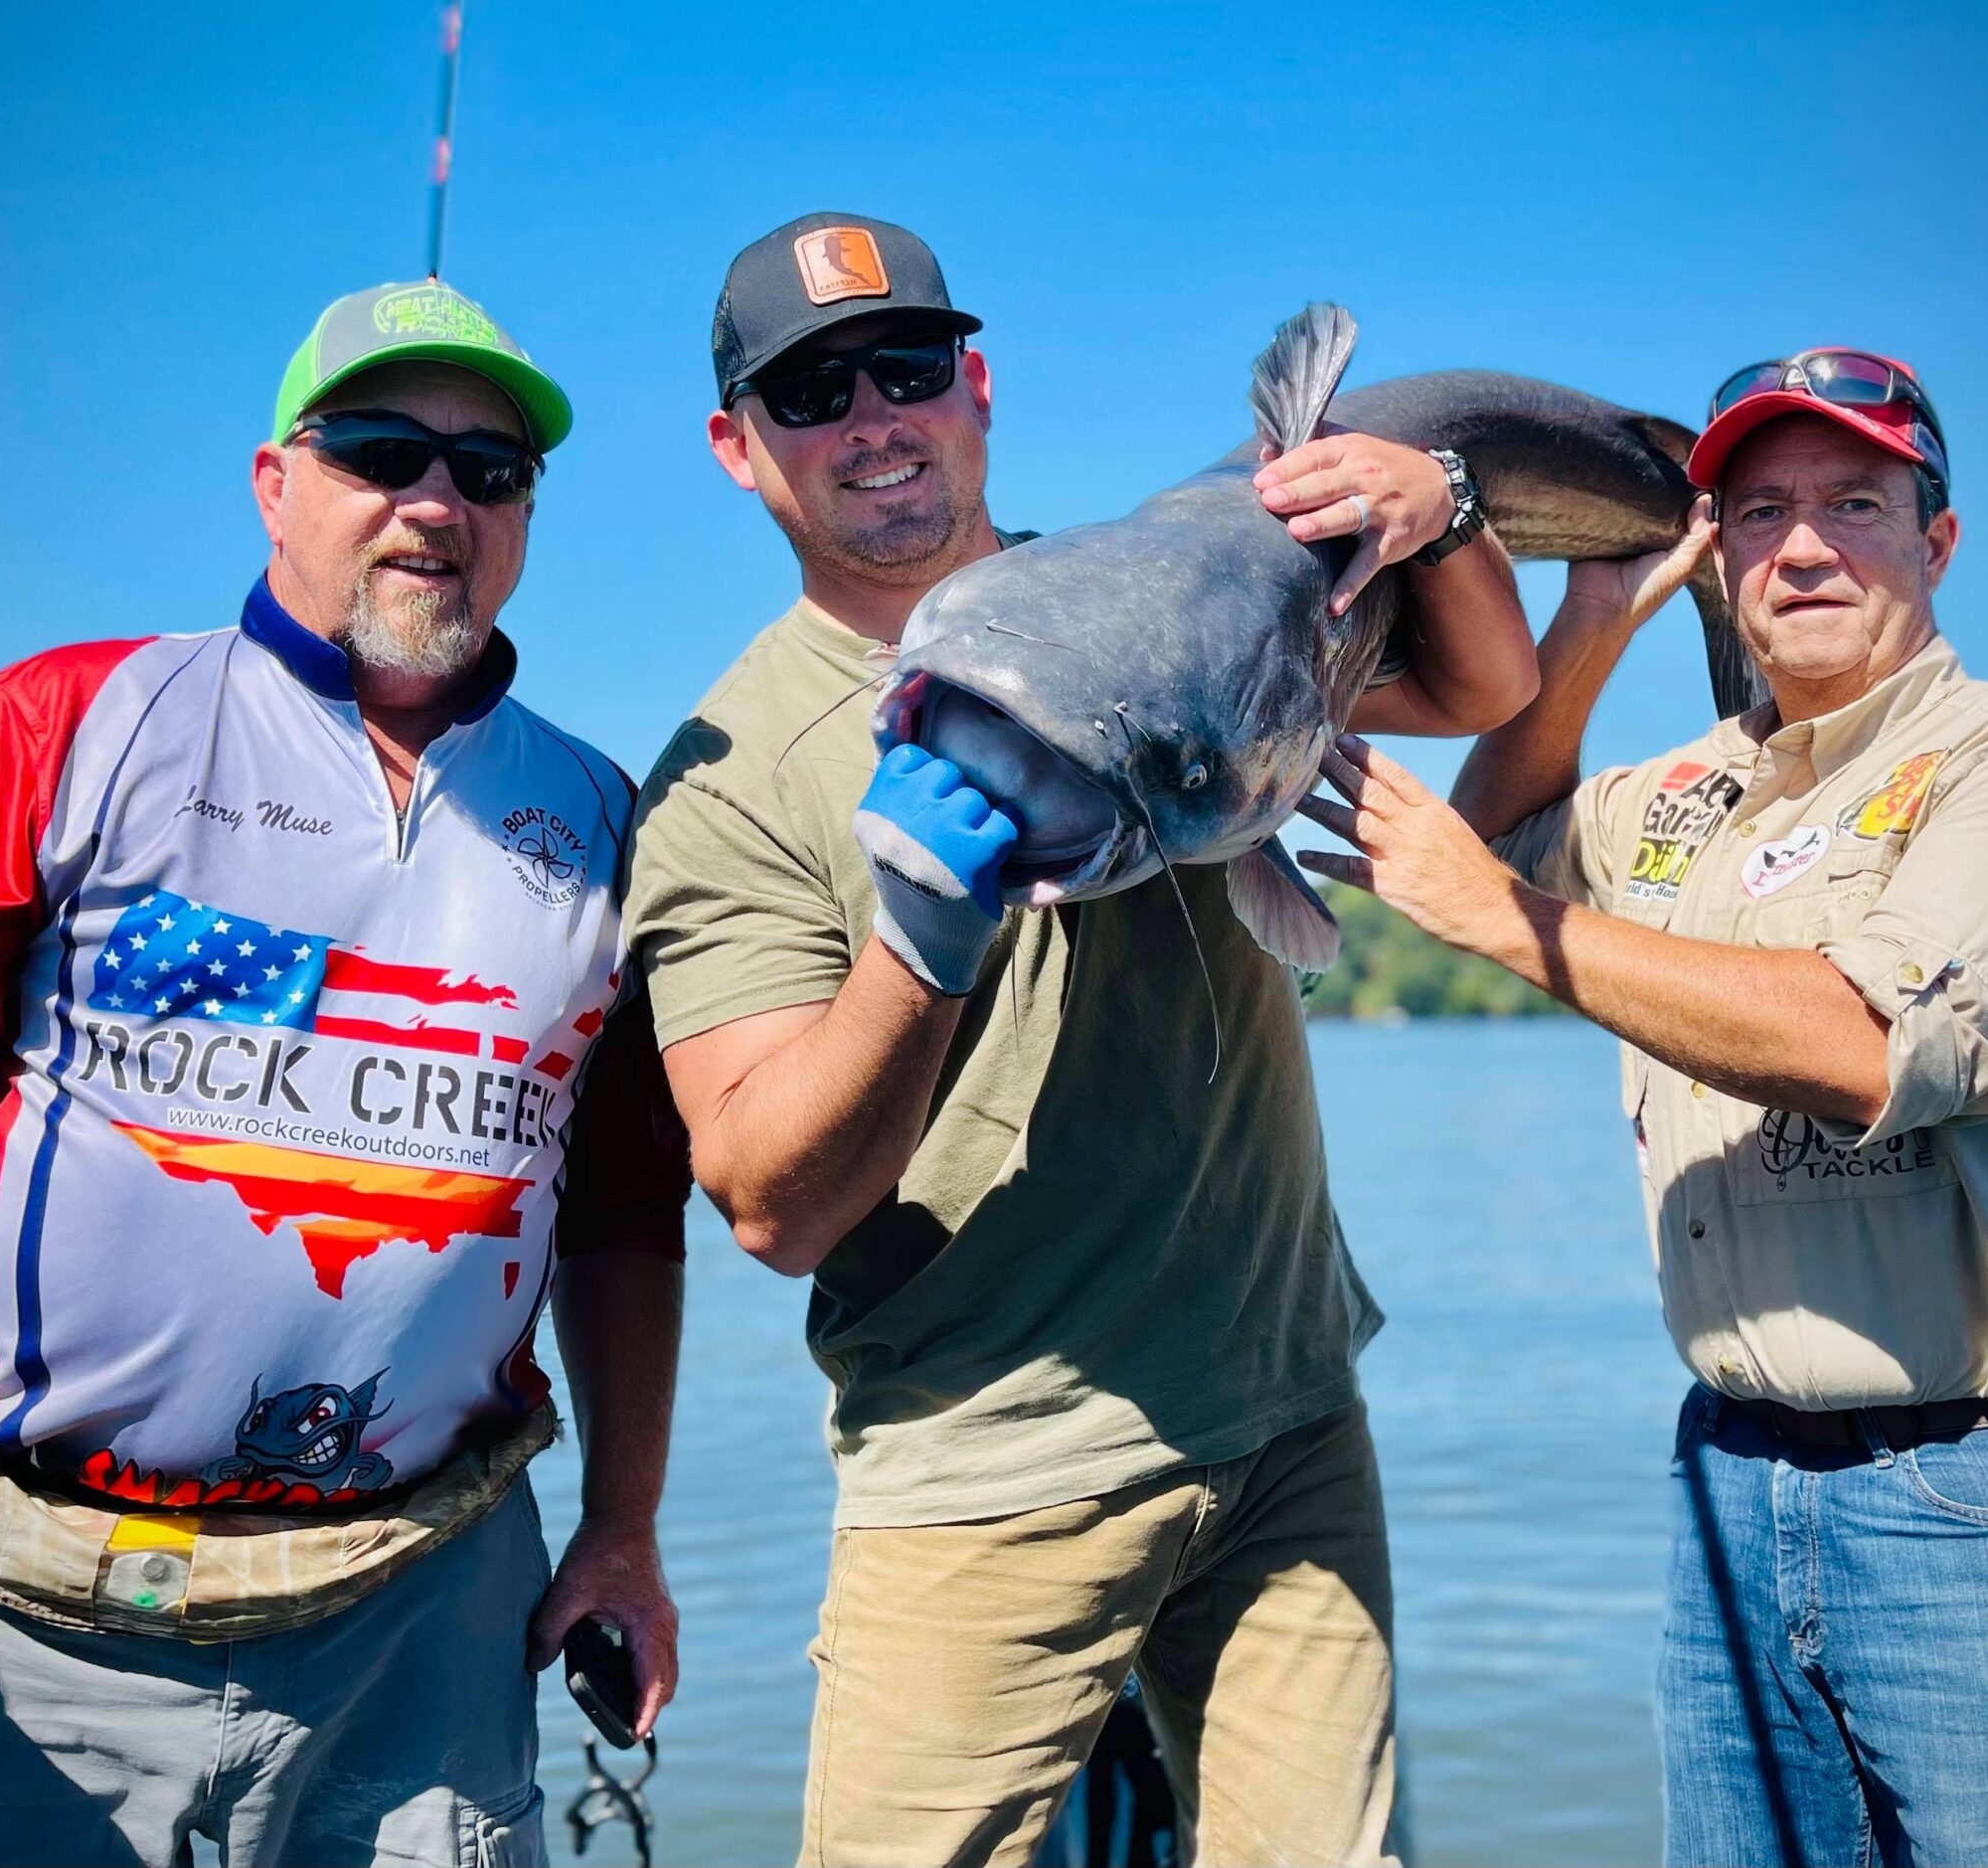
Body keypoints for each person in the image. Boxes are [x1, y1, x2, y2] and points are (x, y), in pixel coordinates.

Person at [0, 279, 689, 1866]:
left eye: (490, 470)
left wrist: (627, 1527)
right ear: (274, 483)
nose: (437, 499)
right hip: (16, 1609)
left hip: (427, 1620)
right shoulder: (70, 722)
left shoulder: (600, 816)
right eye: (382, 449)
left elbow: (628, 1210)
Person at [626, 212, 1541, 1867]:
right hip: (988, 1469)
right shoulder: (727, 773)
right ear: (736, 447)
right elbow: (769, 1204)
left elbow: (1477, 690)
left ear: (977, 386)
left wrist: (1444, 509)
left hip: (1287, 1417)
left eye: (906, 368)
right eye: (814, 392)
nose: (874, 419)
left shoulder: (1181, 599)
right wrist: (922, 932)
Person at [1298, 349, 1988, 1866]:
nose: (1801, 546)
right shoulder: (1695, 787)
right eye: (1759, 511)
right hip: (1730, 1476)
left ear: (1940, 540)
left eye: (1856, 503)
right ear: (1715, 551)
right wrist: (1596, 612)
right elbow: (1508, 838)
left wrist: (1503, 918)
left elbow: (1870, 1044)